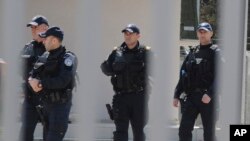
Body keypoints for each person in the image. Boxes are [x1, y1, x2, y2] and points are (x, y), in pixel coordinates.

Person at [101, 24, 151, 141]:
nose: (127, 36)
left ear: (138, 36)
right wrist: (110, 66)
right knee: (120, 132)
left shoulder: (145, 53)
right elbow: (106, 69)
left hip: (138, 97)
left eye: (130, 34)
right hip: (121, 97)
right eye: (125, 34)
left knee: (138, 131)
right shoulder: (116, 52)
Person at [28, 26, 77, 141]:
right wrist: (31, 81)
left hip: (60, 107)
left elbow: (62, 81)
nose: (43, 41)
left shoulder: (68, 58)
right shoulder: (45, 57)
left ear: (54, 40)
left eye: (46, 38)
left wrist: (40, 84)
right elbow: (32, 73)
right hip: (46, 106)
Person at [173, 22, 219, 141]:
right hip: (191, 97)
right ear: (197, 33)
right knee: (184, 130)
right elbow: (183, 74)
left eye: (205, 32)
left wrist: (210, 94)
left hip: (208, 99)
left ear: (211, 33)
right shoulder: (192, 52)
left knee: (209, 133)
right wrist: (176, 94)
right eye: (200, 31)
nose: (202, 34)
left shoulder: (215, 52)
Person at [20, 15, 49, 141]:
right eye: (31, 28)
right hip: (30, 99)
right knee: (25, 133)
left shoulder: (52, 46)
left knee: (48, 134)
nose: (32, 30)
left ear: (45, 28)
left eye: (35, 27)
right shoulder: (28, 47)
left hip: (46, 98)